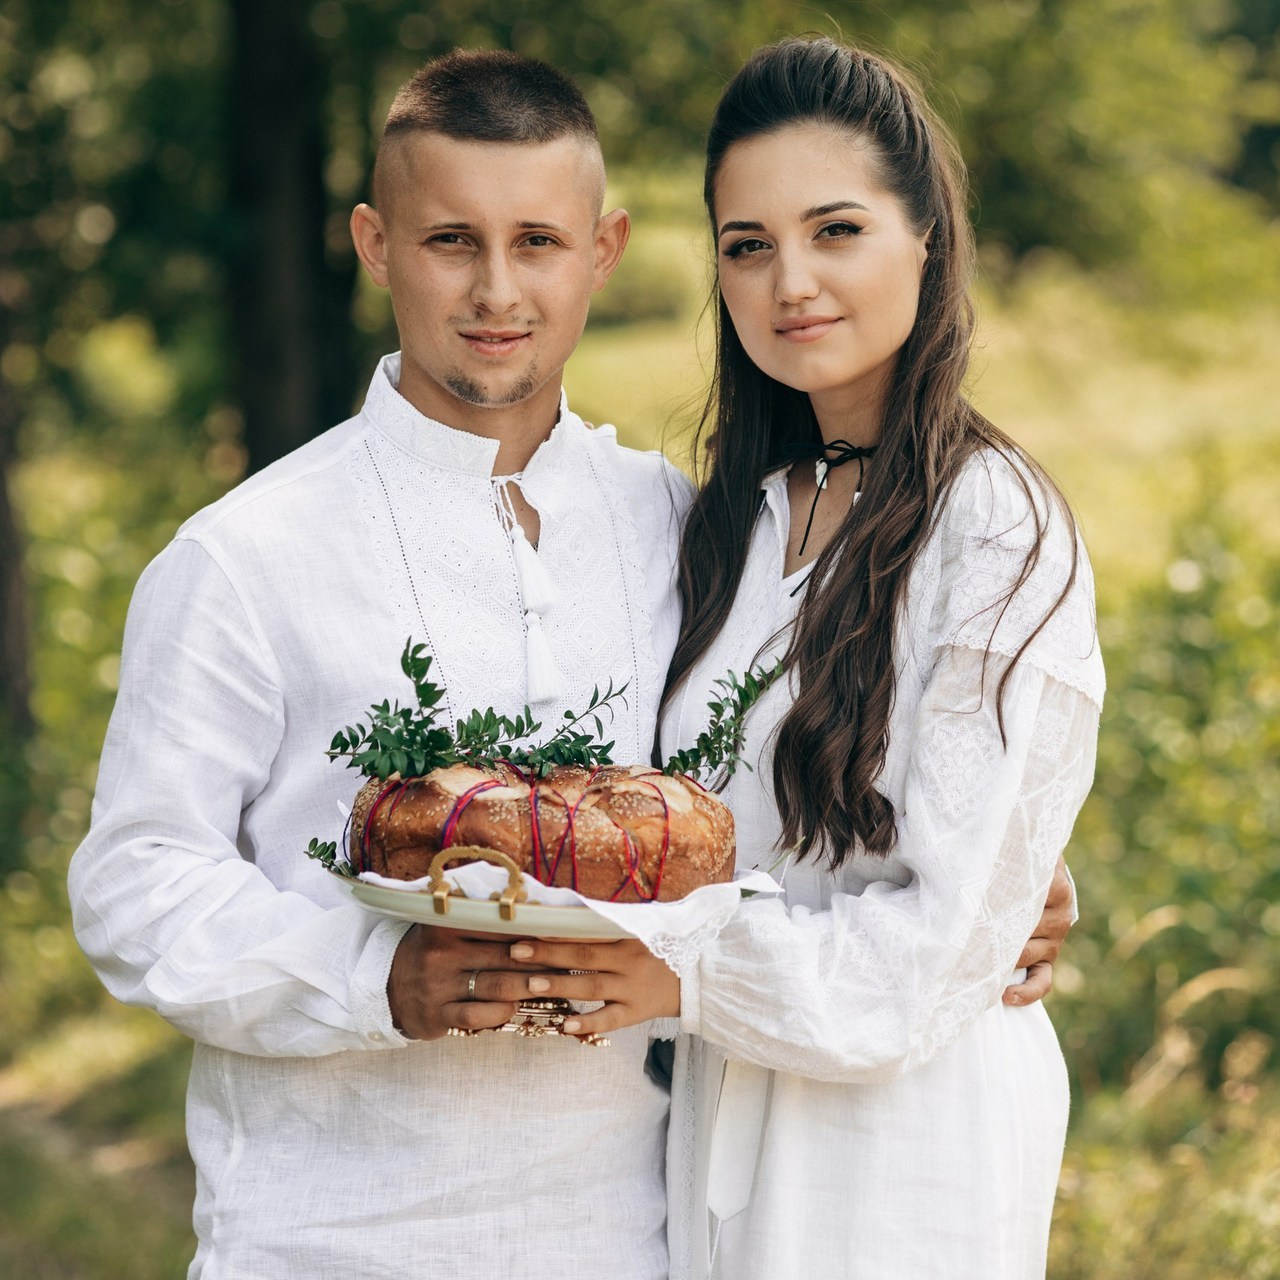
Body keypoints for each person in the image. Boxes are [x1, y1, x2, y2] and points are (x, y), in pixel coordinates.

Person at [69, 45, 1074, 1280]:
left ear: (602, 252)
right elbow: (136, 883)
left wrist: (1003, 874)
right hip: (333, 1237)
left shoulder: (675, 523)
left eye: (538, 241)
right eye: (450, 241)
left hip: (643, 1233)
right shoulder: (245, 556)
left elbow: (759, 795)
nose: (497, 290)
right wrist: (372, 974)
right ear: (375, 244)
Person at [510, 37, 1104, 1280]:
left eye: (835, 230)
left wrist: (667, 962)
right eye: (746, 244)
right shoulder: (736, 517)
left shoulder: (990, 523)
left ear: (924, 236)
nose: (789, 281)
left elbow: (928, 953)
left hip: (898, 1143)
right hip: (720, 1113)